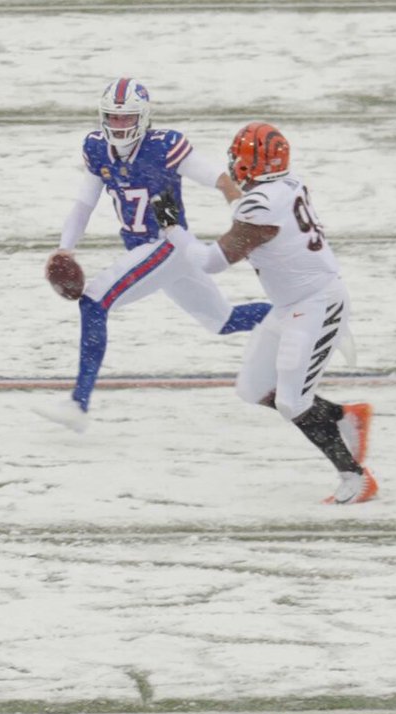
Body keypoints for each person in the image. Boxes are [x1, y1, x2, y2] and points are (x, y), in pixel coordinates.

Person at [151, 122, 377, 504]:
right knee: (254, 387)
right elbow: (248, 211)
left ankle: (355, 477)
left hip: (317, 304)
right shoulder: (286, 186)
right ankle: (344, 416)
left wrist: (173, 229)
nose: (234, 161)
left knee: (292, 400)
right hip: (291, 305)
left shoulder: (261, 206)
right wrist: (226, 190)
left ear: (252, 163)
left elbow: (210, 262)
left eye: (239, 156)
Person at [39, 78, 270, 431]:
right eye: (112, 118)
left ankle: (78, 404)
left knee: (95, 301)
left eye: (126, 118)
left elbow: (214, 176)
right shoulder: (97, 148)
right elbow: (84, 204)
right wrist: (64, 248)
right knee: (223, 321)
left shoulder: (163, 146)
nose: (118, 126)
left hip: (165, 242)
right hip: (154, 250)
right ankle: (298, 315)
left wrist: (234, 197)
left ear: (144, 118)